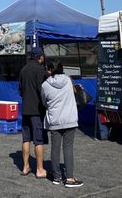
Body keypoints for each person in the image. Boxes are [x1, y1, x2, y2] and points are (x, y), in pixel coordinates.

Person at [41, 59, 83, 188]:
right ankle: (69, 178)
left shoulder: (45, 85)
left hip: (54, 119)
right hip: (70, 118)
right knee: (68, 147)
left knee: (55, 148)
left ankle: (56, 177)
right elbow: (74, 93)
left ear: (48, 69)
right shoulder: (68, 79)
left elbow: (44, 102)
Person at [19, 46, 48, 179]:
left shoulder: (23, 69)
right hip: (36, 110)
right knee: (38, 140)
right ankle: (40, 169)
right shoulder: (40, 69)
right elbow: (42, 90)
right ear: (40, 57)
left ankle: (25, 166)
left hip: (25, 109)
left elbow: (20, 90)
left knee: (26, 139)